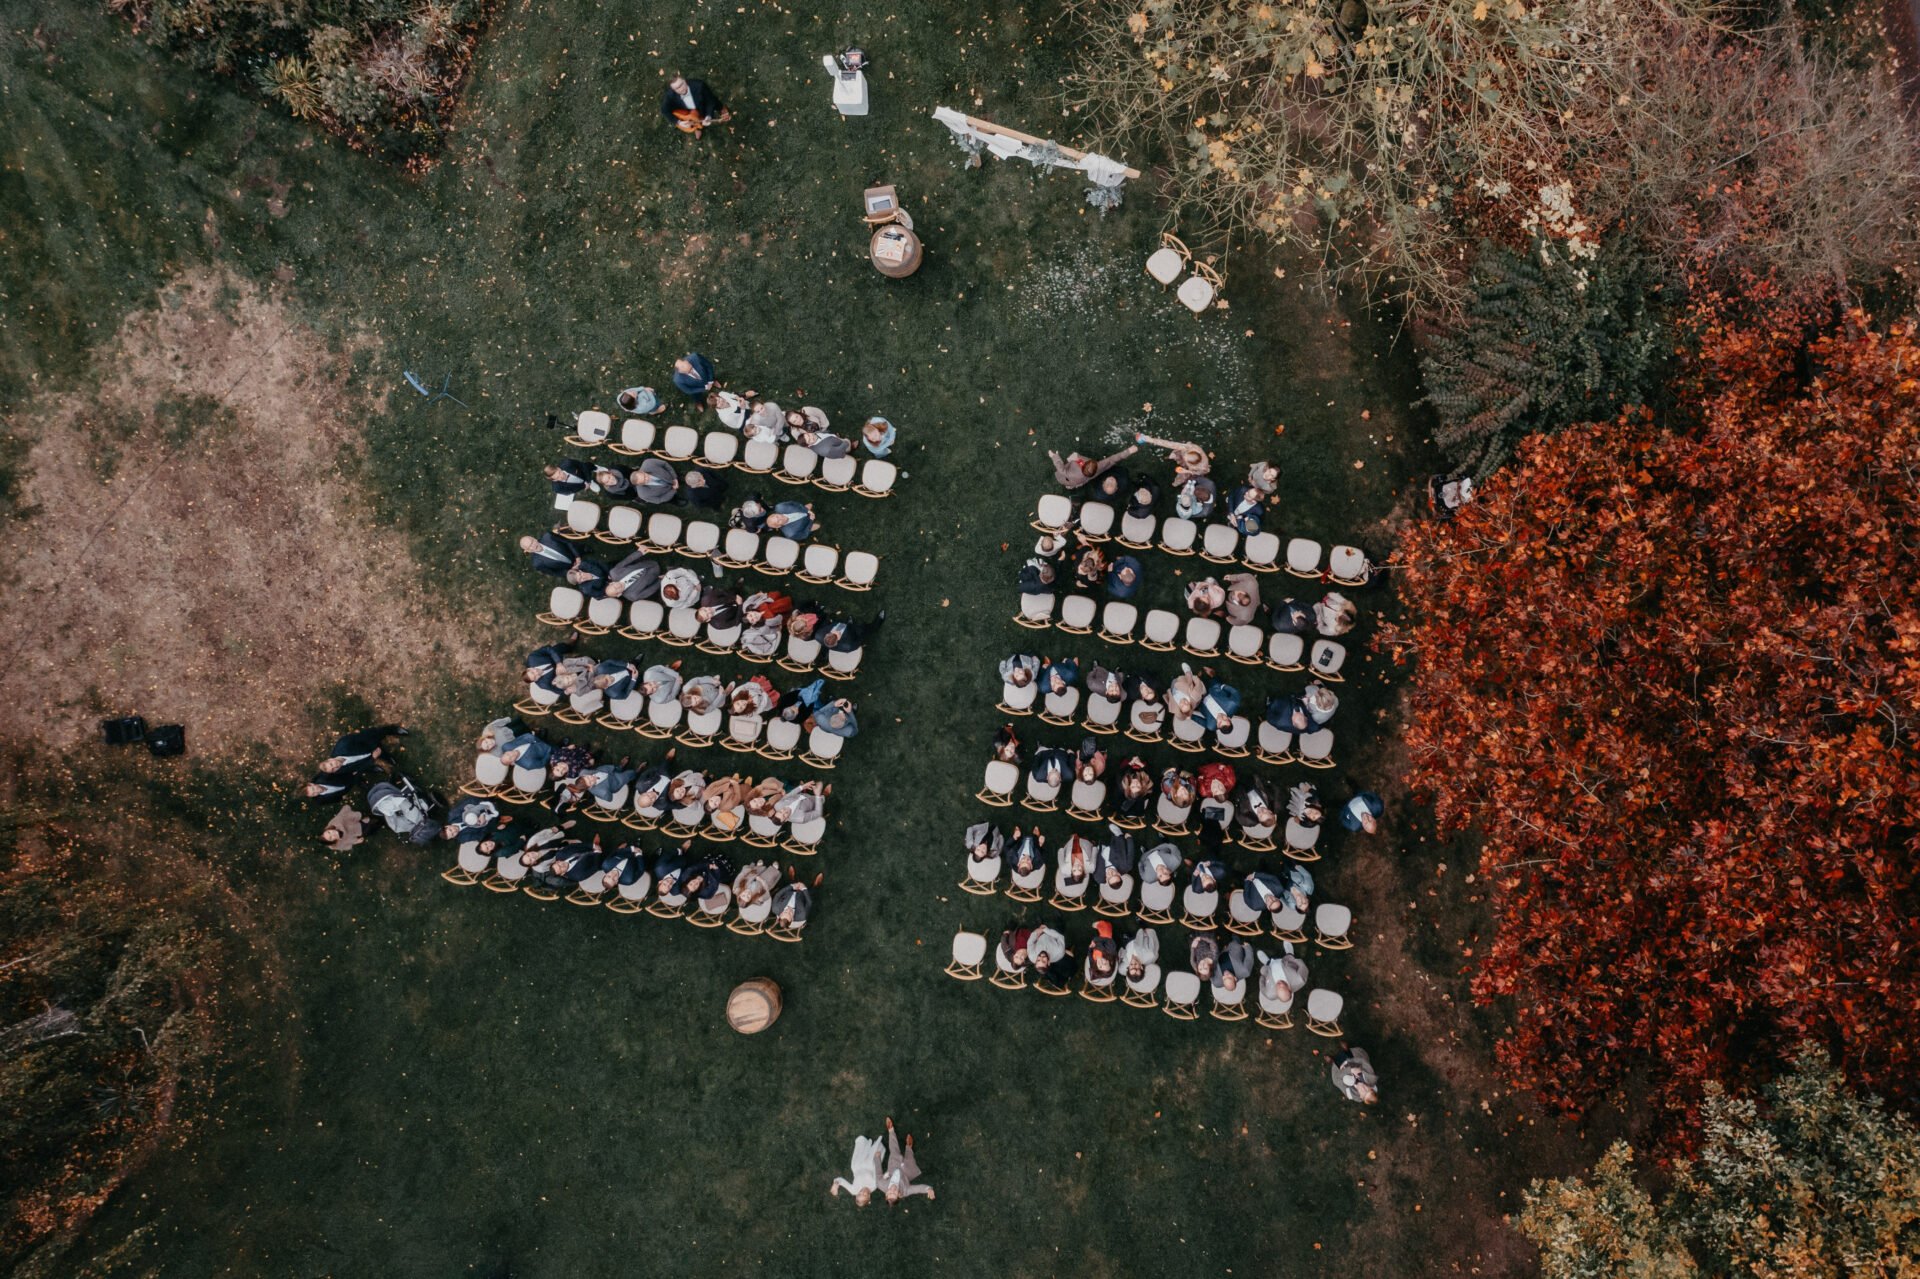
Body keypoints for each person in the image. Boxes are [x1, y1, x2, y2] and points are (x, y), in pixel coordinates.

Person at [878, 1116, 933, 1204]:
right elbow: (918, 1189)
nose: (892, 1190)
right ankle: (909, 1147)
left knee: (894, 1150)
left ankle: (891, 1130)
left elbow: (878, 1173)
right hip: (906, 1173)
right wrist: (928, 1189)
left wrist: (877, 1159)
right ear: (899, 1194)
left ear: (886, 1194)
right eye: (894, 1193)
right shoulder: (906, 1191)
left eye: (889, 1192)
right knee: (910, 1158)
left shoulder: (881, 1184)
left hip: (893, 1166)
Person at [1047, 442, 1138, 491]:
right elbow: (1111, 459)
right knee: (1077, 483)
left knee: (1071, 482)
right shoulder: (1098, 468)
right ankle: (1072, 486)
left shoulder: (1071, 472)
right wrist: (1128, 451)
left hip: (1070, 479)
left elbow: (1061, 469)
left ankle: (1070, 486)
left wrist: (1054, 456)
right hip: (1082, 480)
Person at [661, 73, 731, 134]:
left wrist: (709, 116)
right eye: (677, 88)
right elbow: (664, 110)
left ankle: (721, 108)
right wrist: (678, 122)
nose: (681, 89)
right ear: (673, 90)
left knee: (714, 101)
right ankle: (698, 128)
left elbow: (710, 101)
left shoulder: (700, 85)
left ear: (685, 81)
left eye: (681, 84)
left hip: (703, 104)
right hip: (690, 112)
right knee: (696, 119)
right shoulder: (670, 96)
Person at [831, 1132, 885, 1204]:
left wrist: (835, 1184)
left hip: (857, 1166)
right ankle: (874, 1146)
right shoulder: (874, 1185)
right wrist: (877, 1158)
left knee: (861, 1139)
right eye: (864, 1195)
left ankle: (864, 1142)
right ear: (869, 1197)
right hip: (870, 1165)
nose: (862, 1192)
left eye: (859, 1194)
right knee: (878, 1148)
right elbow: (878, 1171)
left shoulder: (854, 1190)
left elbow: (841, 1181)